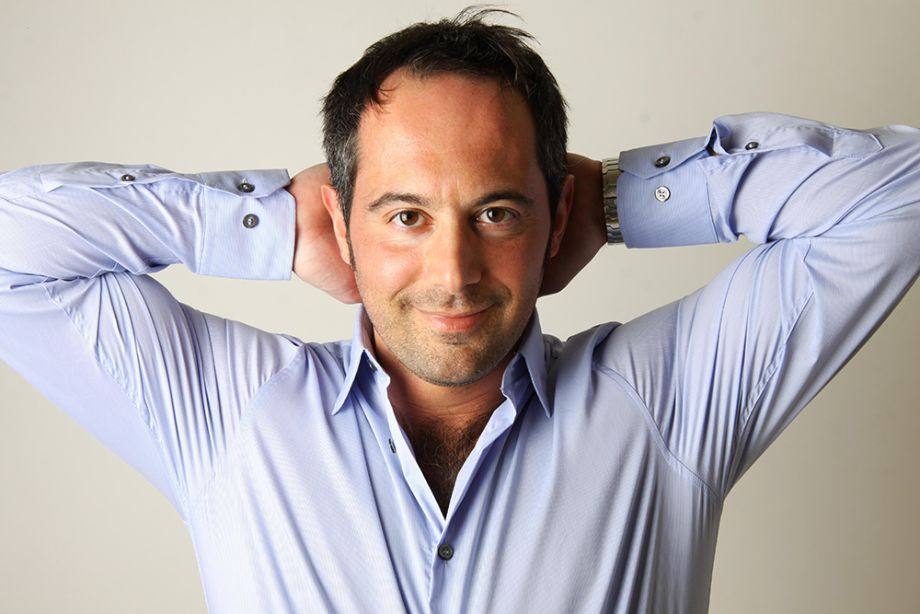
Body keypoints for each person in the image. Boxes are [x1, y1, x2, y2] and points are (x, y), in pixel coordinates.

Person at [0, 6, 917, 613]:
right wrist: (263, 225)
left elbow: (900, 194)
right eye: (406, 215)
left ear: (553, 216)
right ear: (342, 225)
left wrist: (617, 201)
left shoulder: (669, 403)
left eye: (496, 212)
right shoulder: (227, 415)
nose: (453, 272)